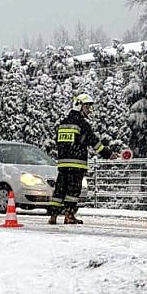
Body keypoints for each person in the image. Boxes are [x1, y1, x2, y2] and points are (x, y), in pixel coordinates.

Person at [49, 93, 110, 225]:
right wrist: (108, 154)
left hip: (63, 163)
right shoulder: (82, 124)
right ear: (78, 106)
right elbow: (94, 143)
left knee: (60, 189)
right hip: (77, 163)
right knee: (73, 190)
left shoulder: (63, 123)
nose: (89, 110)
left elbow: (58, 143)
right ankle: (69, 215)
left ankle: (53, 215)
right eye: (87, 107)